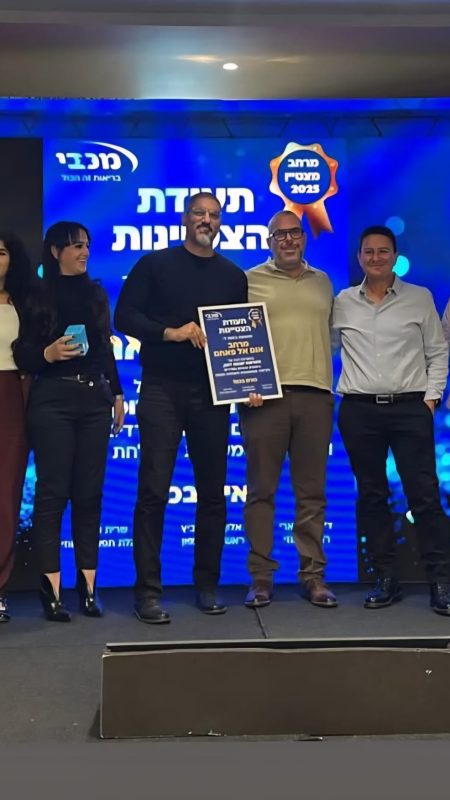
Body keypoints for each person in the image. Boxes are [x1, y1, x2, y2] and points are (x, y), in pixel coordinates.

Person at [114, 192, 247, 623]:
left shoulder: (233, 276)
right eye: (199, 213)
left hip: (212, 395)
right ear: (185, 218)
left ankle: (207, 585)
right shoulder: (155, 264)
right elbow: (123, 317)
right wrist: (169, 333)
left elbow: (241, 340)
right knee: (153, 491)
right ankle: (147, 592)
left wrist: (249, 380)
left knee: (212, 493)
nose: (206, 220)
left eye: (214, 215)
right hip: (161, 390)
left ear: (220, 223)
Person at [333, 225, 450, 614]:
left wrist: (431, 399)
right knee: (371, 496)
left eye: (383, 251)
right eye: (369, 252)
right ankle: (385, 579)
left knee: (424, 496)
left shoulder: (420, 298)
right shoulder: (342, 302)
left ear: (395, 257)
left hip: (410, 409)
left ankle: (441, 581)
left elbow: (437, 352)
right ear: (359, 257)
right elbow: (322, 347)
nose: (376, 258)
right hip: (359, 411)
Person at [13, 221, 125, 622]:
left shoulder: (96, 293)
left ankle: (88, 589)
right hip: (52, 400)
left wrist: (117, 394)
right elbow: (21, 352)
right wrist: (47, 354)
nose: (84, 252)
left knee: (89, 494)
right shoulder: (35, 295)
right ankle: (51, 591)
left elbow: (105, 347)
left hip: (94, 399)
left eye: (87, 245)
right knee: (52, 494)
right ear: (56, 250)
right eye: (76, 246)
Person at [239, 210, 336, 609]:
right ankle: (261, 578)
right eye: (279, 235)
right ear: (269, 242)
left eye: (294, 232)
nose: (288, 240)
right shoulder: (248, 281)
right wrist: (244, 385)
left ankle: (313, 576)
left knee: (312, 493)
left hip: (316, 396)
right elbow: (234, 341)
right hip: (264, 400)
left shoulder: (323, 282)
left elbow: (332, 337)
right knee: (261, 491)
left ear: (304, 238)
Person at [0, 233, 35, 623]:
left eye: (1, 253)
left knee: (6, 495)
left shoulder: (23, 303)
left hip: (11, 397)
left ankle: (0, 588)